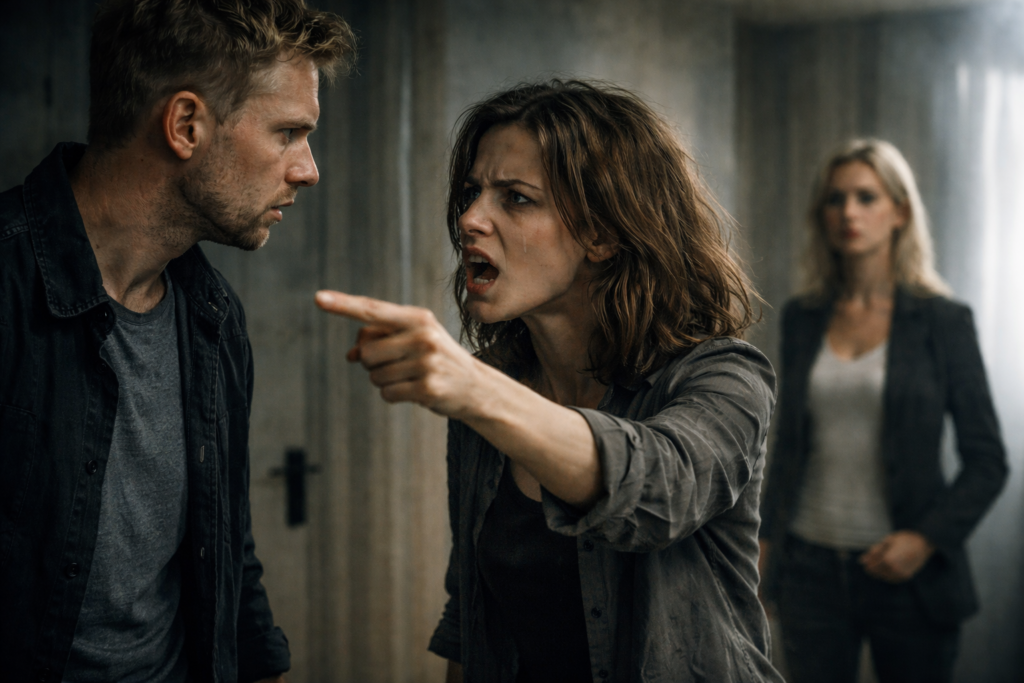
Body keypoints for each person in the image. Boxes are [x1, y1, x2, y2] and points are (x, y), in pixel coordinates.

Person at [316, 80, 783, 682]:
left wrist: (475, 392)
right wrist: (479, 392)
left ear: (602, 233)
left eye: (516, 198)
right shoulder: (494, 385)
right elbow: (471, 611)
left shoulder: (724, 375)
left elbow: (662, 490)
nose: (469, 219)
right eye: (471, 193)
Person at [0, 0, 354, 681]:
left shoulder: (213, 318)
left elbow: (227, 544)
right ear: (187, 124)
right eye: (288, 133)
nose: (308, 169)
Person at [758, 139, 1008, 683]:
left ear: (900, 211)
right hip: (808, 570)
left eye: (866, 197)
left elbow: (988, 461)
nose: (849, 212)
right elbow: (789, 446)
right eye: (835, 199)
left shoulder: (944, 322)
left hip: (907, 575)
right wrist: (766, 547)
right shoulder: (803, 317)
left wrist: (926, 540)